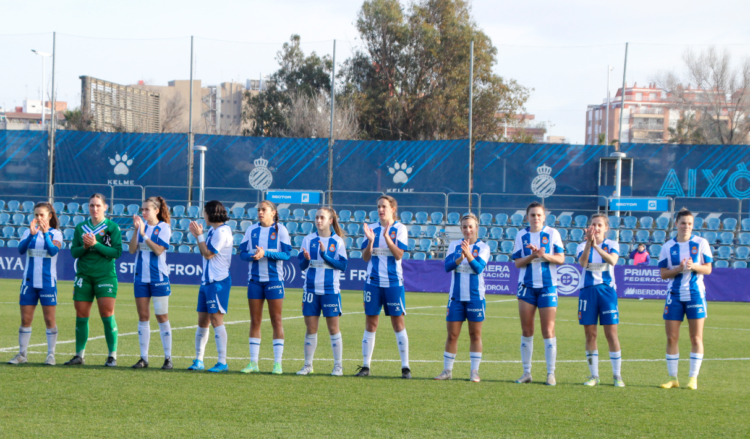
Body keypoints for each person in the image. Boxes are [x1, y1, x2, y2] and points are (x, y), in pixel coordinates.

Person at [355, 195, 411, 379]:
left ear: (393, 209)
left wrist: (387, 237)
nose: (380, 210)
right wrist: (371, 242)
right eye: (378, 206)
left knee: (398, 323)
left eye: (384, 206)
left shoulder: (400, 229)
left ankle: (405, 367)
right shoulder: (371, 229)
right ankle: (365, 366)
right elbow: (365, 258)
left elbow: (399, 255)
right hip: (373, 283)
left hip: (394, 283)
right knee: (371, 323)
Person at [65, 194, 123, 367]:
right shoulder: (81, 227)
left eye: (98, 205)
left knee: (107, 314)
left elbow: (117, 253)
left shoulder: (112, 227)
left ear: (105, 207)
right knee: (81, 315)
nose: (94, 209)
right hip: (84, 276)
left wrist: (95, 244)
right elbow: (74, 253)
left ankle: (112, 355)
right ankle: (79, 355)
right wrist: (84, 246)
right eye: (91, 205)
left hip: (105, 276)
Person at [512, 201, 565, 386]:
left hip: (548, 286)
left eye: (539, 215)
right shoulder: (522, 235)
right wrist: (532, 256)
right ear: (527, 217)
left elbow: (561, 259)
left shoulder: (552, 234)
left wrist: (543, 255)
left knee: (548, 330)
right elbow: (518, 263)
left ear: (544, 217)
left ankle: (551, 374)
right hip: (526, 286)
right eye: (532, 215)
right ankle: (526, 373)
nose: (535, 218)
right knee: (527, 330)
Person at [658, 208, 712, 390]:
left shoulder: (701, 243)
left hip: (695, 294)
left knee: (696, 337)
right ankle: (673, 378)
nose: (686, 226)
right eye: (683, 223)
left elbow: (708, 269)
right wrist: (679, 269)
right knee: (672, 337)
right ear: (676, 224)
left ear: (692, 225)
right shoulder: (668, 246)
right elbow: (664, 274)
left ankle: (693, 379)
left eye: (689, 223)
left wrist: (694, 266)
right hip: (674, 295)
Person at [434, 214, 490, 383]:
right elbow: (447, 266)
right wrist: (460, 257)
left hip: (475, 298)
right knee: (452, 335)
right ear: (461, 229)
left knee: (475, 335)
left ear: (476, 228)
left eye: (471, 226)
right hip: (456, 298)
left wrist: (469, 255)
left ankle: (474, 371)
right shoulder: (453, 246)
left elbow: (478, 268)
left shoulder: (483, 247)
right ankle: (447, 371)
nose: (468, 230)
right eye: (464, 227)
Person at [239, 200, 292, 375]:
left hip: (274, 281)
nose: (260, 212)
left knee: (276, 320)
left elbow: (286, 254)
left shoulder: (280, 230)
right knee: (255, 321)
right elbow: (242, 253)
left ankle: (278, 364)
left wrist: (265, 253)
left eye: (264, 210)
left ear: (273, 212)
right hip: (254, 280)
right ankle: (254, 362)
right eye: (259, 210)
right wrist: (253, 256)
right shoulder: (251, 230)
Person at [7, 203, 63, 366]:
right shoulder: (27, 232)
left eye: (42, 215)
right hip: (28, 282)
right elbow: (21, 250)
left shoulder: (56, 233)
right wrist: (32, 235)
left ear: (49, 216)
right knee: (25, 319)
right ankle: (22, 354)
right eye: (36, 215)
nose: (38, 218)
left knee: (49, 319)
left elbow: (53, 251)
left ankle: (50, 355)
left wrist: (45, 234)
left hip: (47, 282)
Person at [296, 207, 348, 377]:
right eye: (317, 217)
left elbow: (343, 266)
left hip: (330, 290)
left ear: (330, 221)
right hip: (310, 289)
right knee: (311, 328)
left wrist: (325, 255)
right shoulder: (308, 239)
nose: (319, 220)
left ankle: (338, 366)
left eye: (322, 218)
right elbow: (301, 265)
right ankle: (307, 365)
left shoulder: (337, 241)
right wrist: (306, 259)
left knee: (333, 329)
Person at [576, 214, 625, 387]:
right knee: (591, 334)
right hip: (587, 291)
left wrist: (596, 246)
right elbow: (582, 263)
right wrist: (590, 244)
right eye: (593, 224)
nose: (596, 228)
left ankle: (617, 375)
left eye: (599, 225)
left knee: (611, 334)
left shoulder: (612, 244)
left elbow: (612, 260)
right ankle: (593, 376)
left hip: (607, 292)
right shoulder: (582, 245)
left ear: (606, 228)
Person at [187, 200, 234, 373]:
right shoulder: (213, 231)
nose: (203, 216)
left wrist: (199, 235)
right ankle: (199, 359)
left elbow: (207, 254)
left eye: (205, 212)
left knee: (216, 320)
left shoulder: (222, 232)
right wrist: (199, 236)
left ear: (212, 213)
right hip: (207, 282)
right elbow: (204, 250)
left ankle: (222, 361)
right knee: (202, 321)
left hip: (218, 282)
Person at [128, 197, 173, 370]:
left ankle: (168, 358)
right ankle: (143, 358)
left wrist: (145, 234)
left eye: (147, 209)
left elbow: (159, 250)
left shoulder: (164, 227)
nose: (143, 212)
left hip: (159, 278)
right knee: (143, 317)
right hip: (140, 278)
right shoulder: (140, 227)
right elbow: (132, 250)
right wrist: (136, 231)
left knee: (161, 317)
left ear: (156, 210)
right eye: (142, 209)